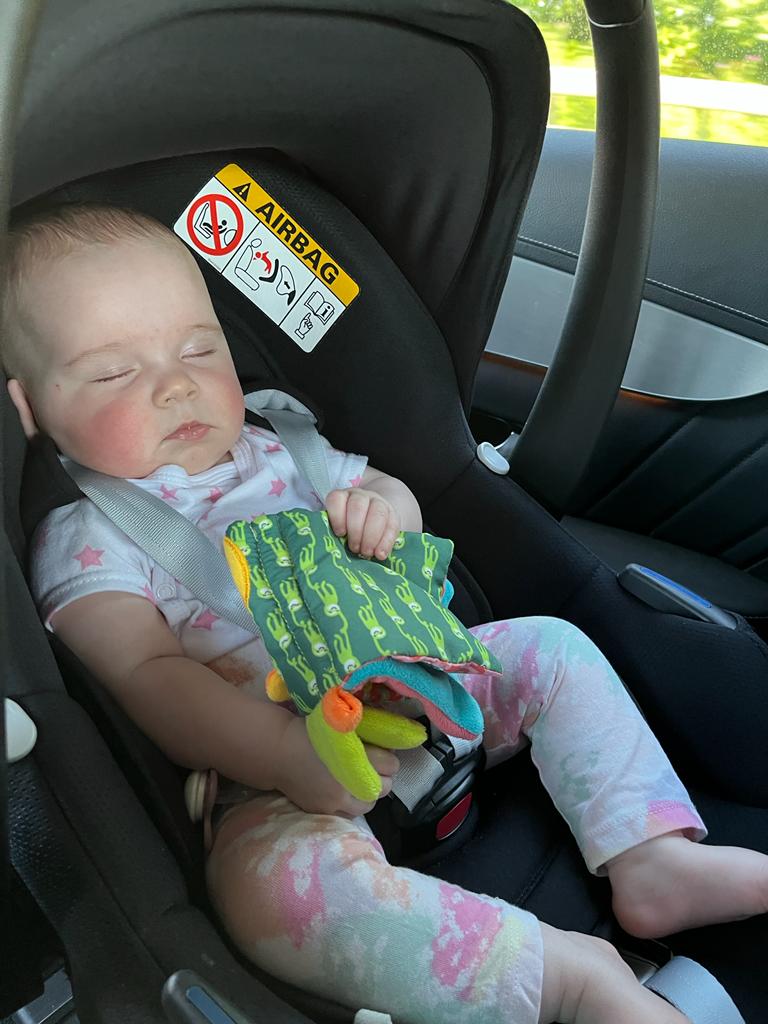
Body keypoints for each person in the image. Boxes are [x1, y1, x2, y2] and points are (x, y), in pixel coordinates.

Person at [2, 203, 766, 1024]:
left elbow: (384, 489)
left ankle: (649, 856)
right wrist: (283, 753)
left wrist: (383, 509)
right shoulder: (86, 537)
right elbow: (147, 676)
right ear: (29, 409)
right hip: (278, 774)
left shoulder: (276, 443)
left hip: (427, 680)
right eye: (114, 374)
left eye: (200, 349)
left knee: (552, 647)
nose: (176, 384)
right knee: (270, 899)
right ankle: (568, 979)